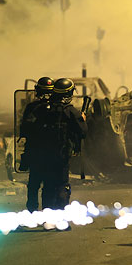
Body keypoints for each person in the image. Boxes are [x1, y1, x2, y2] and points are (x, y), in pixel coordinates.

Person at [27, 78, 87, 219]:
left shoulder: (39, 109)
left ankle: (47, 218)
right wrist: (82, 119)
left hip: (42, 156)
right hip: (61, 156)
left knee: (47, 186)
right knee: (61, 186)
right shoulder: (71, 112)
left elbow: (28, 129)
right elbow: (83, 132)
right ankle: (60, 218)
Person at [19, 77, 54, 212]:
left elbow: (24, 130)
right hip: (53, 153)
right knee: (49, 185)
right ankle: (48, 212)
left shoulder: (32, 108)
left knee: (34, 184)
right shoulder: (60, 109)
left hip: (36, 153)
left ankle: (32, 211)